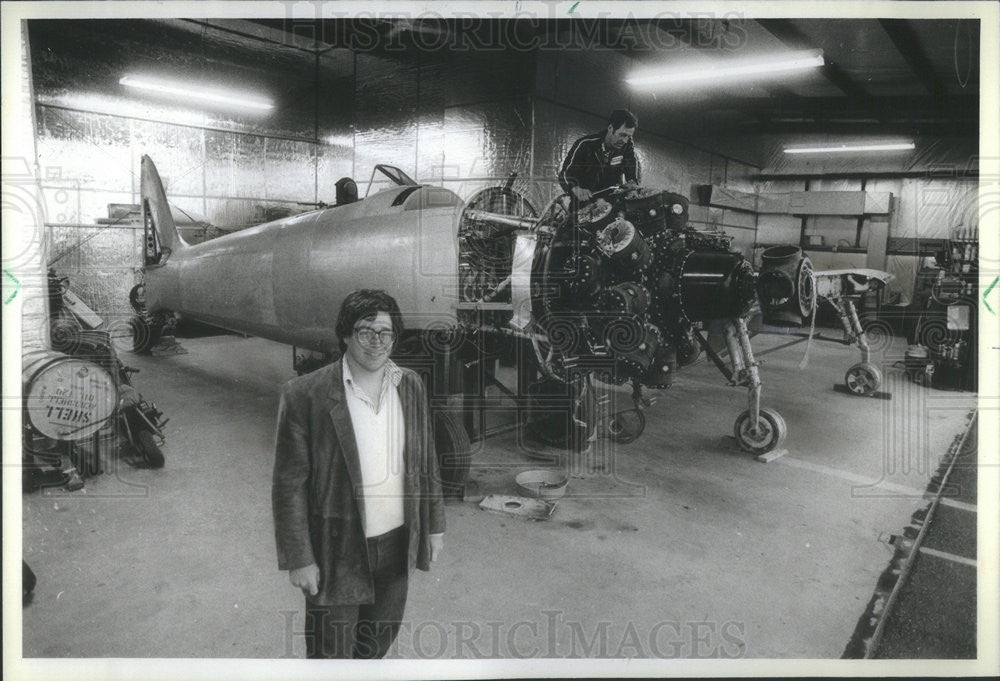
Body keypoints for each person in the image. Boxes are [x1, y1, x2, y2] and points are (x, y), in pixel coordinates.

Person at [272, 289, 445, 659]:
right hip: (337, 548)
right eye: (366, 331)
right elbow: (288, 486)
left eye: (385, 332)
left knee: (377, 645)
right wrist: (299, 557)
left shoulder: (409, 384)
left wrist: (434, 527)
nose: (377, 342)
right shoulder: (306, 394)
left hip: (397, 544)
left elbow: (425, 461)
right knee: (330, 652)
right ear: (346, 335)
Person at [558, 109, 641, 203]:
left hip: (611, 200)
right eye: (622, 135)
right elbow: (564, 175)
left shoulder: (627, 146)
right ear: (610, 128)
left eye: (628, 137)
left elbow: (631, 170)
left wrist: (633, 183)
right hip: (585, 201)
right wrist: (575, 188)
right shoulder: (585, 145)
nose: (625, 141)